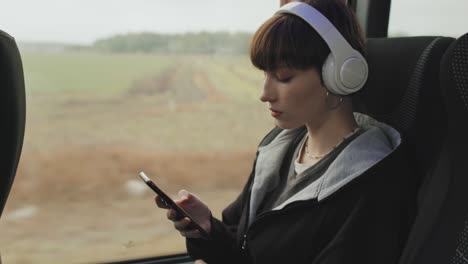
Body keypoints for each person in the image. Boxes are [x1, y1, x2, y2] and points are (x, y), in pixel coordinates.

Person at [156, 0, 416, 263]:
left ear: (339, 74)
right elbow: (245, 252)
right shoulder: (279, 149)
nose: (264, 94)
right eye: (265, 75)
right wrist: (207, 229)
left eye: (283, 77)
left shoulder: (371, 185)